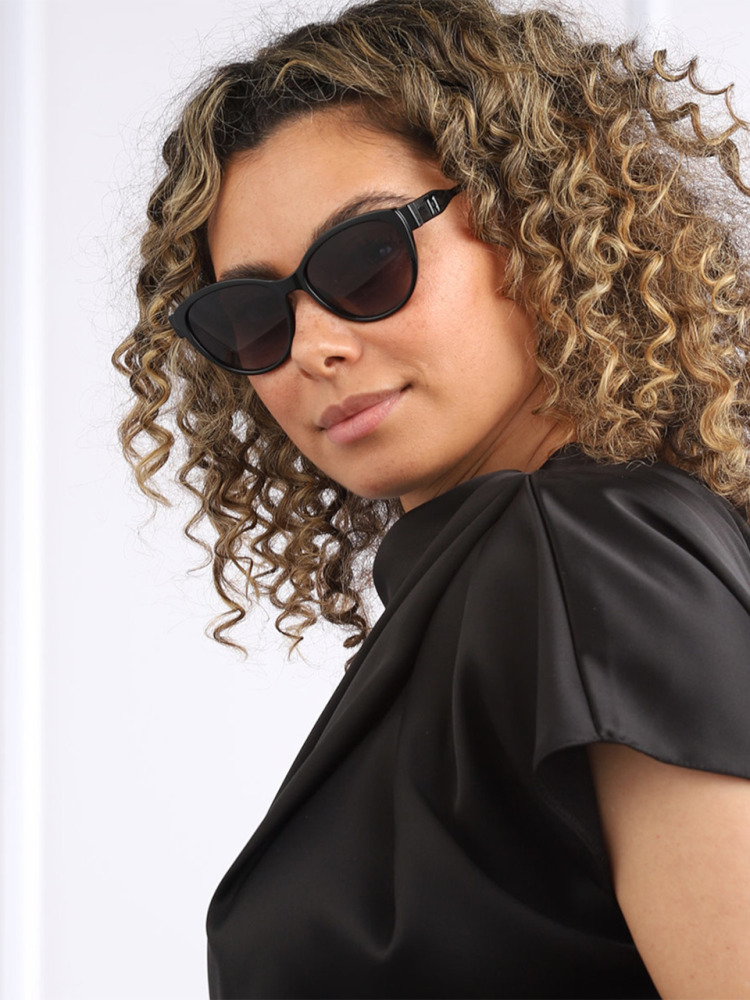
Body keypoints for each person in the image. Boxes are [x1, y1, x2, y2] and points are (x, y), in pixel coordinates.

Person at [112, 0, 750, 996]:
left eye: (367, 261)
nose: (314, 347)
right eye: (251, 315)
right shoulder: (507, 578)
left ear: (536, 220)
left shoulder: (582, 552)